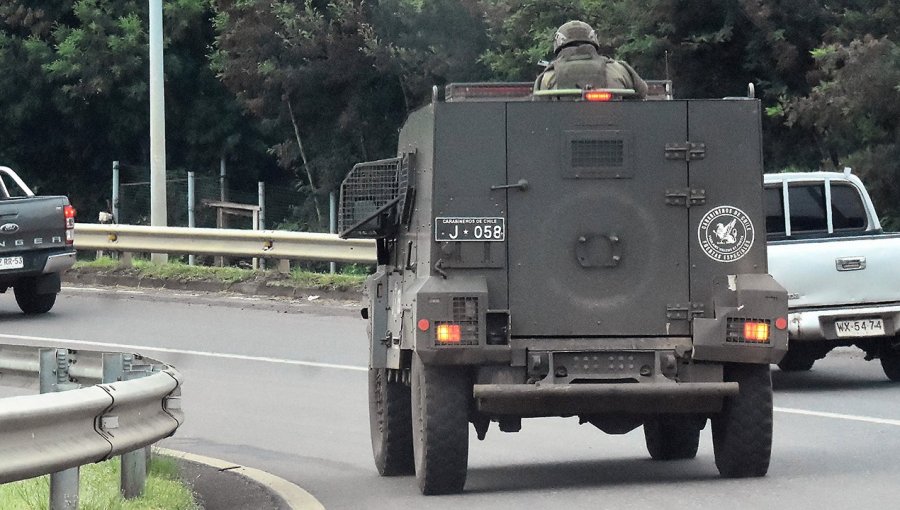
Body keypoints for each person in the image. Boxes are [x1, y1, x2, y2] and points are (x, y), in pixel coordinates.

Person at [534, 20, 648, 98]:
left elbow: (540, 115)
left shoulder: (547, 77)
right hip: (618, 130)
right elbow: (642, 94)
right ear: (593, 40)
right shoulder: (620, 70)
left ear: (559, 43)